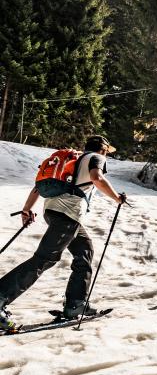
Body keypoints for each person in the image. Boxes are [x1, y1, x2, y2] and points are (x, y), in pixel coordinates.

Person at [0, 135, 126, 332]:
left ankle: (76, 304)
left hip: (53, 211)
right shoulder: (95, 158)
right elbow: (97, 178)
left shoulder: (72, 160)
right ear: (102, 149)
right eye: (106, 151)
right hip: (68, 214)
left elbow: (38, 187)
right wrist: (117, 198)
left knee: (84, 251)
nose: (106, 155)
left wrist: (27, 209)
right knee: (44, 259)